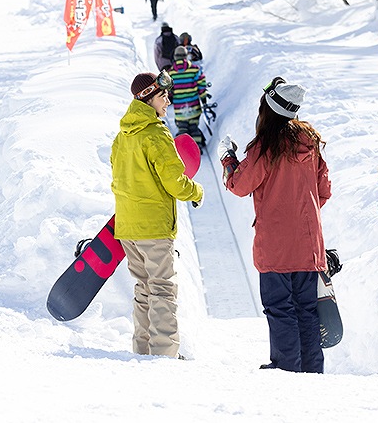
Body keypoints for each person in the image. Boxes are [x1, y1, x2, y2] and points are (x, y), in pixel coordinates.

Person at [220, 77, 331, 373]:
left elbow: (239, 185)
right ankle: (312, 370)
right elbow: (323, 191)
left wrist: (228, 159)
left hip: (275, 247)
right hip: (309, 246)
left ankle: (286, 369)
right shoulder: (311, 145)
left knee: (280, 308)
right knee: (307, 309)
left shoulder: (264, 148)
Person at [111, 71, 204, 359]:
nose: (168, 101)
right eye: (163, 96)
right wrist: (196, 192)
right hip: (153, 227)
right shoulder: (156, 134)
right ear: (149, 97)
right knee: (162, 290)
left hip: (128, 227)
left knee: (143, 289)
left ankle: (142, 350)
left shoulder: (122, 136)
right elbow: (175, 182)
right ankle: (164, 354)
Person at [168, 45, 209, 148]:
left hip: (179, 109)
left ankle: (184, 151)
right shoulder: (195, 70)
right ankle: (197, 148)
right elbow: (202, 86)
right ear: (186, 56)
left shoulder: (170, 73)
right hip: (194, 107)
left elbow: (169, 91)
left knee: (182, 129)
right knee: (194, 127)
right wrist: (204, 101)